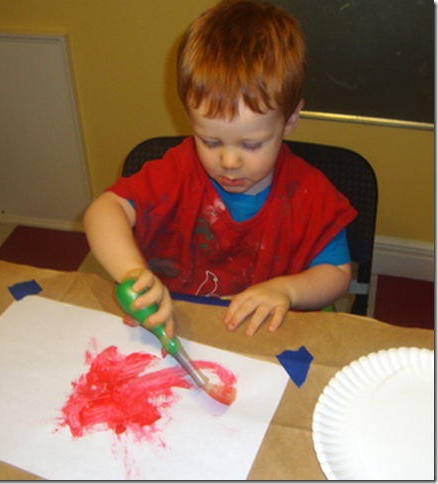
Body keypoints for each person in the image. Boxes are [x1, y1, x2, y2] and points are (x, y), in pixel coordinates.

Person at [83, 0, 357, 338]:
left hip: (259, 342)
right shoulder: (179, 172)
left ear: (290, 120)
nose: (229, 162)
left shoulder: (309, 194)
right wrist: (133, 273)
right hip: (178, 328)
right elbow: (103, 211)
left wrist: (286, 290)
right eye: (210, 141)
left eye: (251, 145)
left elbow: (337, 273)